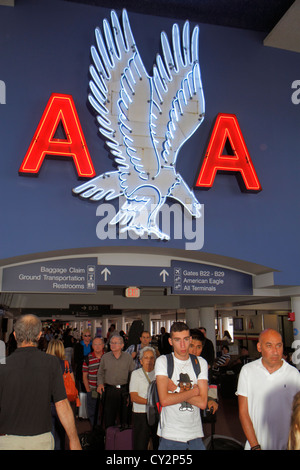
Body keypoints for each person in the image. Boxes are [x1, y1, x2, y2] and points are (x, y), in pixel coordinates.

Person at [0, 314, 81, 450]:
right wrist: (74, 439)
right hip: (40, 439)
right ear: (39, 335)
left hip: (8, 439)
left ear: (14, 335)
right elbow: (61, 403)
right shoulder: (51, 363)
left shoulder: (3, 364)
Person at [237, 328, 300, 450]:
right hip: (255, 444)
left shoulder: (294, 375)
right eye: (269, 346)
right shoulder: (247, 371)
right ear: (259, 347)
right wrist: (255, 446)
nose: (275, 351)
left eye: (279, 346)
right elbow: (243, 412)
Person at [155, 322, 208, 450]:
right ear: (170, 341)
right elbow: (165, 400)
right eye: (177, 340)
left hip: (195, 435)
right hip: (170, 436)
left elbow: (202, 403)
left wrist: (175, 389)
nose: (183, 345)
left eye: (185, 339)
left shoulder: (200, 363)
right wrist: (193, 392)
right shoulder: (163, 361)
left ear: (190, 339)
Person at [97, 334, 135, 429]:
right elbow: (100, 373)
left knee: (125, 420)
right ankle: (109, 440)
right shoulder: (105, 357)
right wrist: (100, 384)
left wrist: (131, 392)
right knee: (109, 419)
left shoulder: (128, 358)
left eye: (115, 343)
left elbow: (133, 375)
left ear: (122, 345)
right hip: (110, 391)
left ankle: (123, 441)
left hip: (124, 391)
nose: (113, 345)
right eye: (111, 343)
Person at [46, 339, 76, 450]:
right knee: (61, 432)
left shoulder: (44, 364)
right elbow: (72, 381)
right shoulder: (65, 364)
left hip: (47, 402)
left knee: (49, 432)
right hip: (62, 402)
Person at [129, 346, 159, 450]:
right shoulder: (135, 374)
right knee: (140, 443)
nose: (149, 360)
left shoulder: (159, 374)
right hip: (141, 414)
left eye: (151, 358)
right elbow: (134, 397)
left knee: (158, 443)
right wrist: (152, 402)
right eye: (146, 358)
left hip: (156, 414)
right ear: (141, 361)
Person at [189, 331, 218, 415]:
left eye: (198, 347)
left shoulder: (202, 364)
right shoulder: (172, 363)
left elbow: (203, 396)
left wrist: (210, 399)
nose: (194, 351)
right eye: (191, 346)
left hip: (195, 414)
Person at [82, 336, 105, 426]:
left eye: (99, 344)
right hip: (93, 390)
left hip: (105, 389)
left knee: (107, 410)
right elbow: (84, 376)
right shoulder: (88, 358)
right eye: (95, 344)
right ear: (92, 346)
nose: (97, 346)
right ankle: (95, 430)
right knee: (93, 412)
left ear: (103, 345)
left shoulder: (107, 357)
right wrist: (88, 390)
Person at [74, 329, 92, 393]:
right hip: (81, 368)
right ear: (82, 336)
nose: (87, 337)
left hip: (91, 369)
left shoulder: (93, 345)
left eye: (89, 336)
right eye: (85, 336)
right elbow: (76, 359)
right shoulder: (78, 346)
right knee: (83, 387)